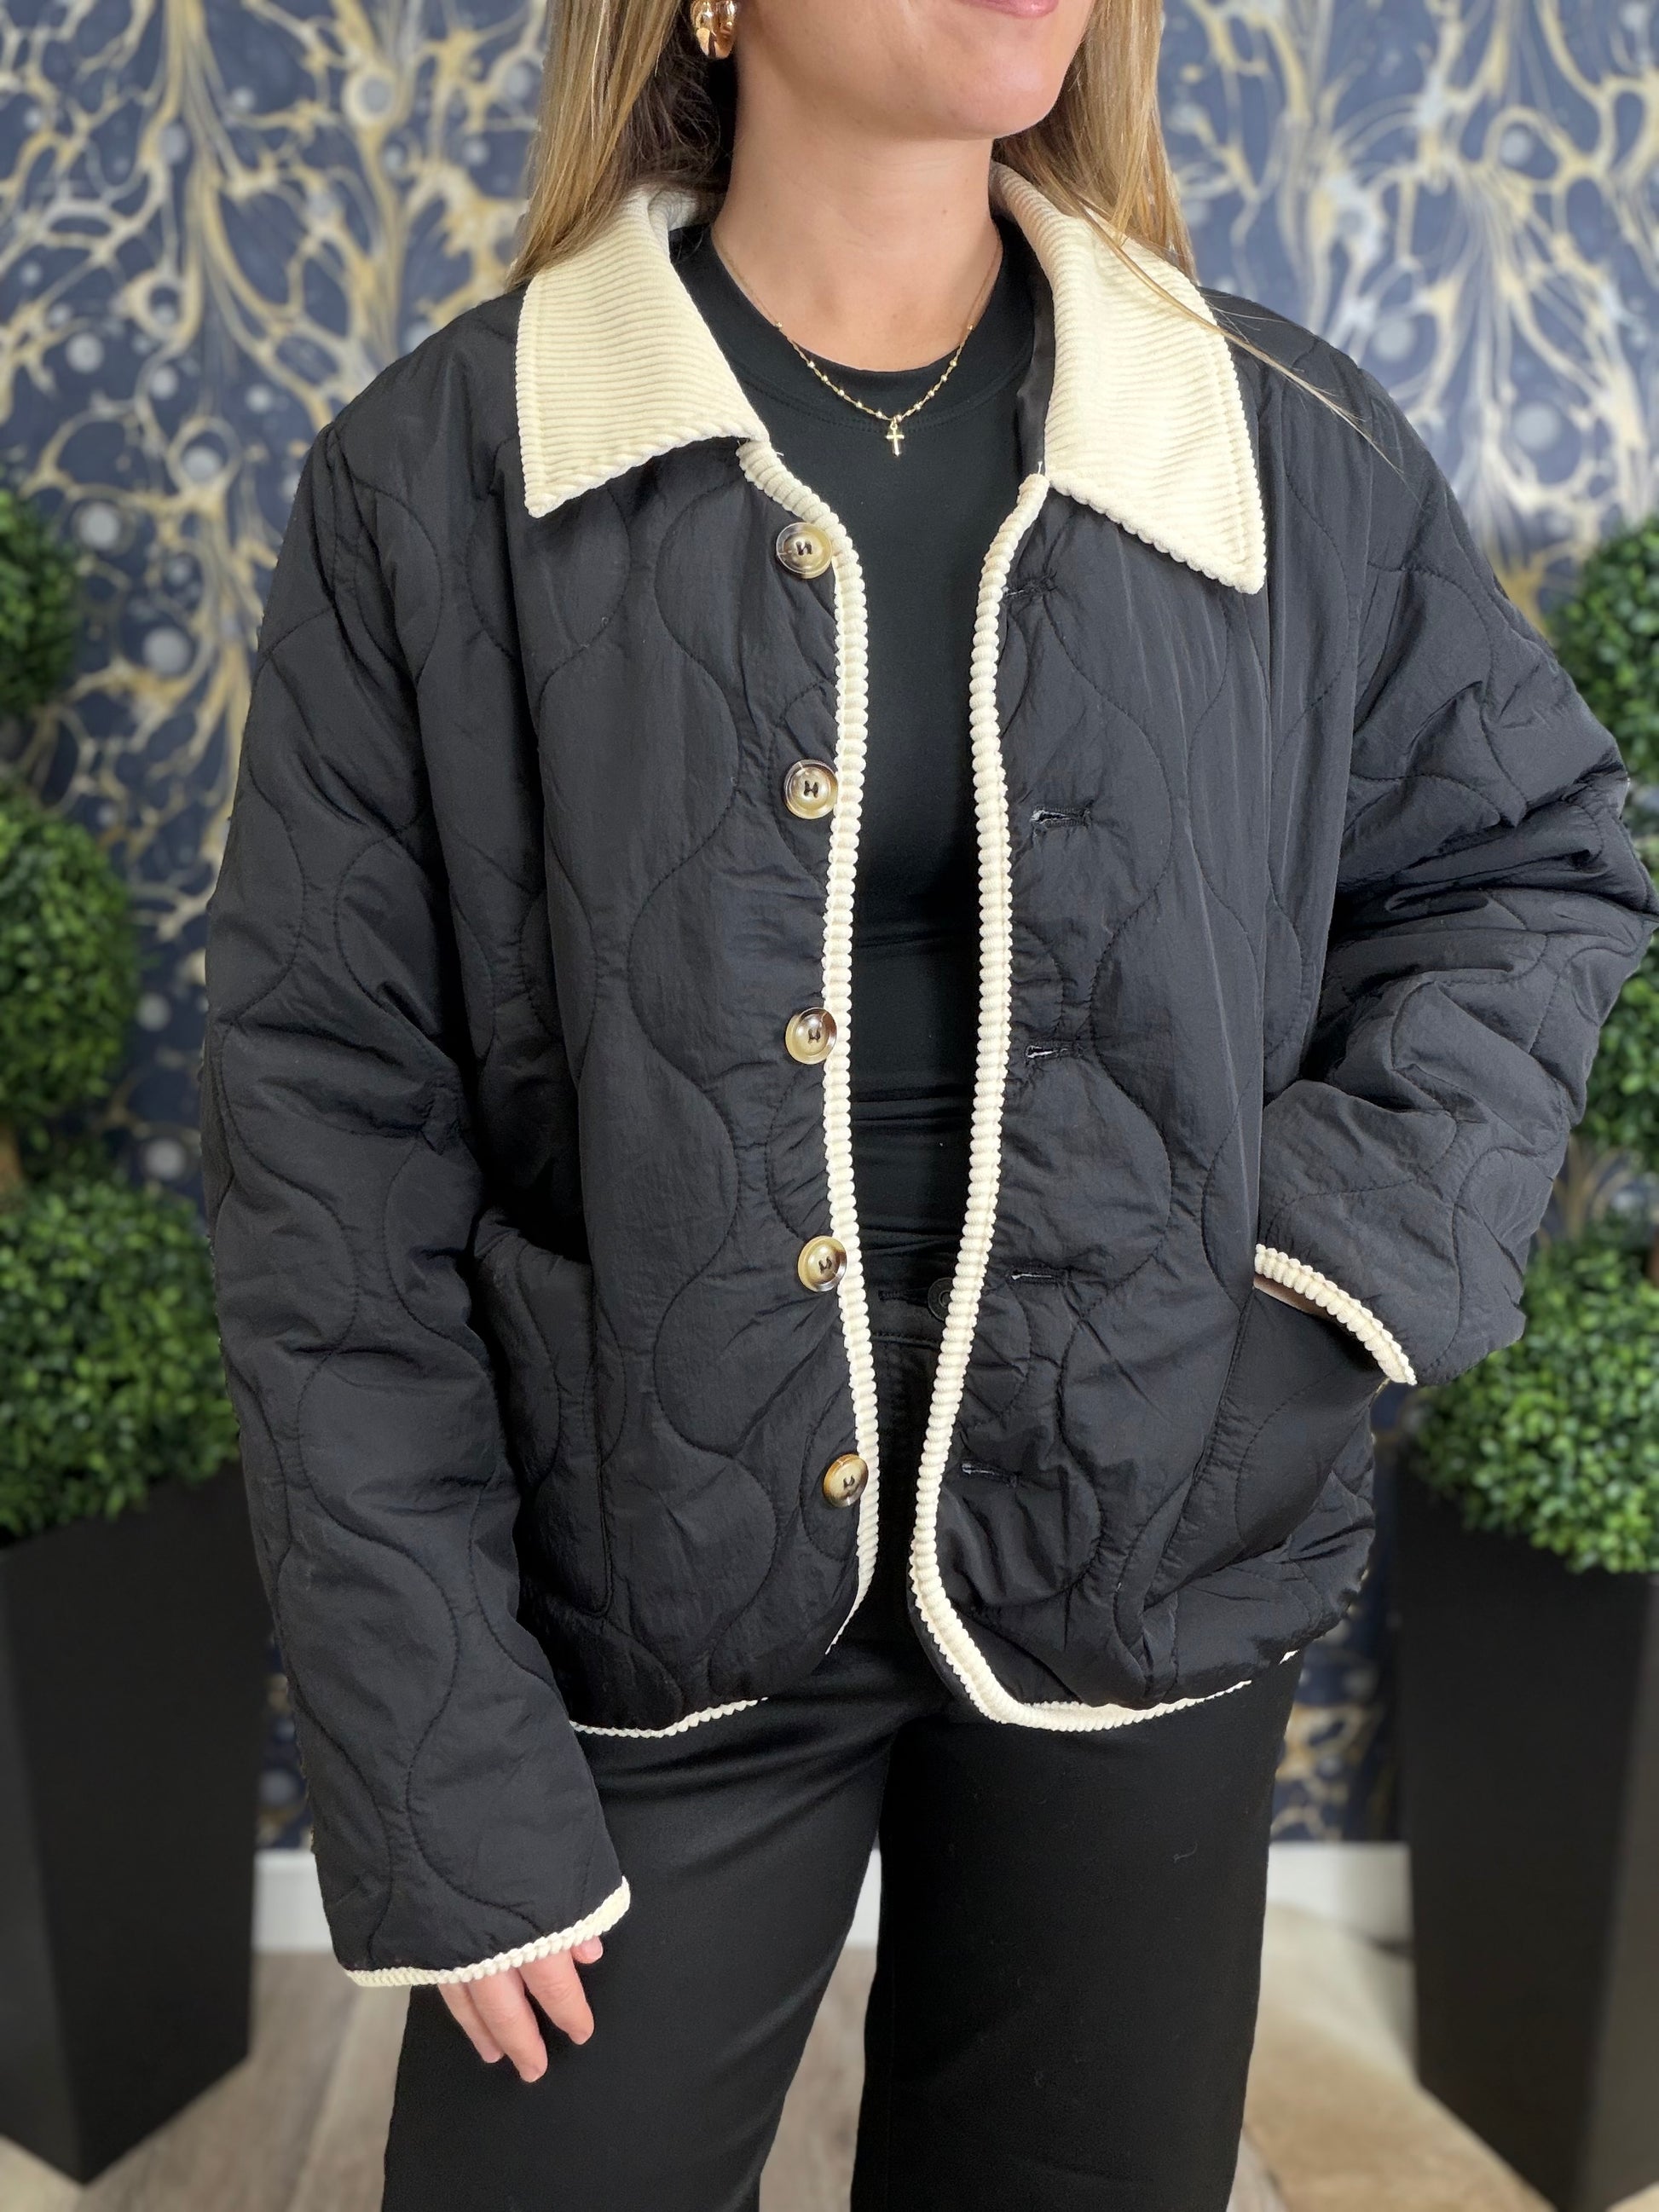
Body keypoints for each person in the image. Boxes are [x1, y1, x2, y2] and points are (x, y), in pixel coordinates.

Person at [199, 1, 1659, 2205]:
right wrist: (437, 1757)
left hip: (1142, 1532)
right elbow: (325, 1142)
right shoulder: (440, 477)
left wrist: (1307, 1293)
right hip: (637, 1567)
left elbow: (1527, 868)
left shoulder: (1271, 439)